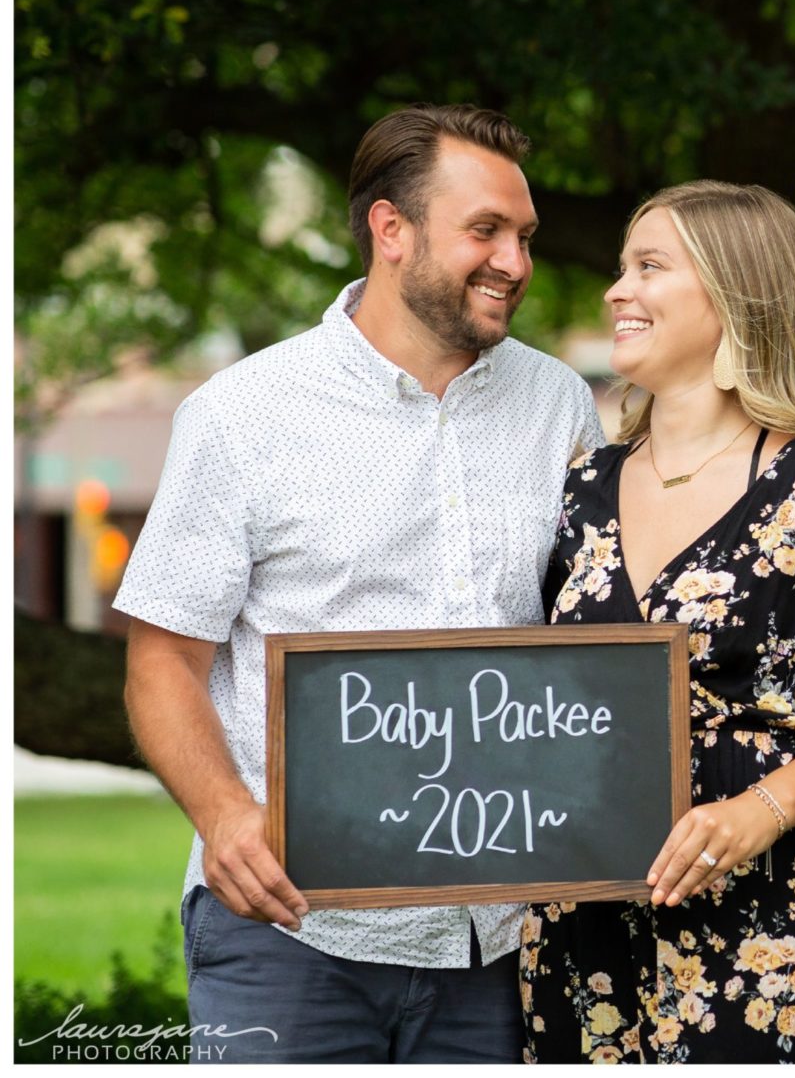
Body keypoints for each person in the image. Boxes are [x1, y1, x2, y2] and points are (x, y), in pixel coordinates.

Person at [116, 104, 605, 1063]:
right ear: (392, 230)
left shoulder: (561, 405)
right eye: (485, 231)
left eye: (525, 235)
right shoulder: (241, 416)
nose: (515, 260)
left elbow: (591, 641)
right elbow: (161, 660)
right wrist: (224, 815)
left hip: (502, 940)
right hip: (293, 935)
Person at [522, 181, 795, 1063]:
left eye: (649, 266)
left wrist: (763, 808)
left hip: (771, 937)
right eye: (620, 267)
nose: (617, 290)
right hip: (587, 933)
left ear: (733, 294)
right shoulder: (580, 490)